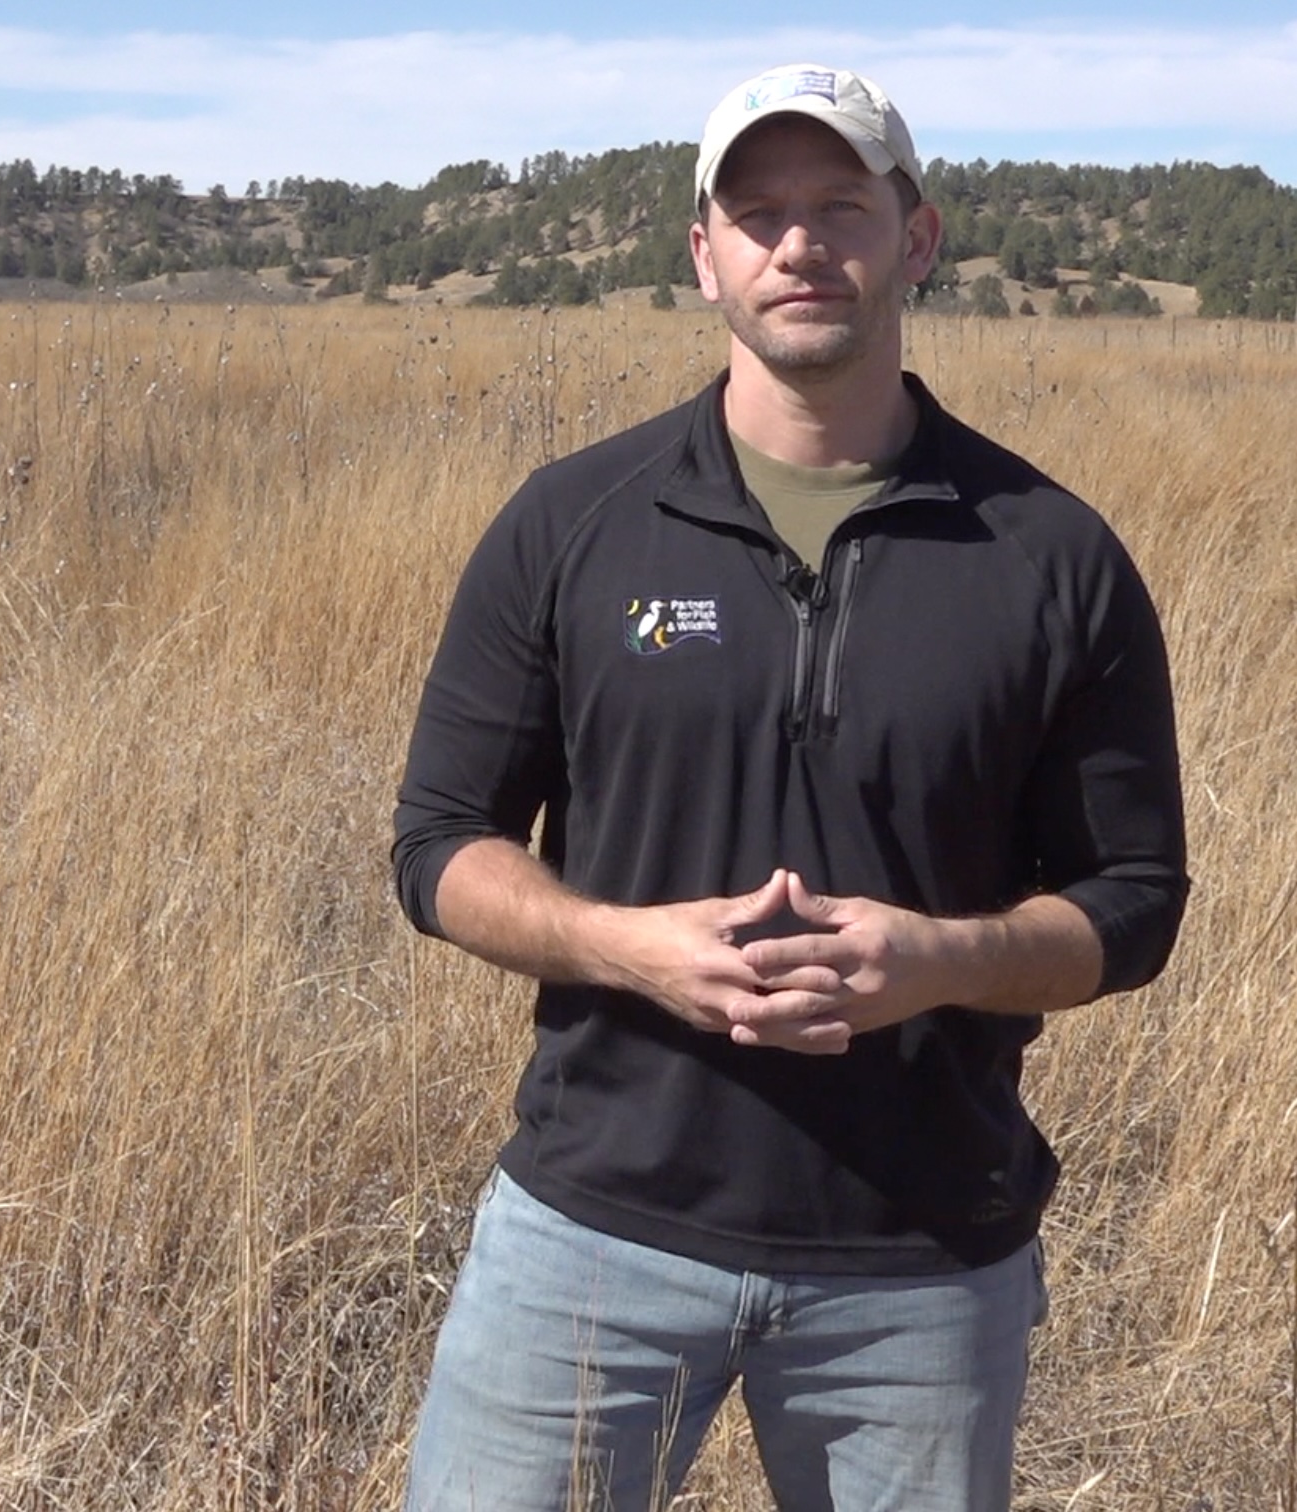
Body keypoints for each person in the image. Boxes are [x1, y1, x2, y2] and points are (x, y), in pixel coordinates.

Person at [391, 63, 1189, 1510]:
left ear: (917, 238)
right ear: (702, 256)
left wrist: (935, 960)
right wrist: (626, 947)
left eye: (839, 207)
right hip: (594, 1235)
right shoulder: (574, 523)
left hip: (918, 1268)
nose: (797, 245)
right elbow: (439, 844)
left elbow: (1130, 908)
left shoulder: (1048, 555)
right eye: (755, 213)